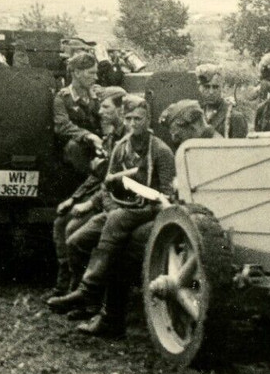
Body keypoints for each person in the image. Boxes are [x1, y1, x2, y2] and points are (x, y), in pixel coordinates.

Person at [48, 95, 176, 338]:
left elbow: (167, 195)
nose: (132, 123)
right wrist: (109, 206)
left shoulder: (160, 151)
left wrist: (135, 200)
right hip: (118, 209)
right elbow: (106, 186)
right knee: (76, 241)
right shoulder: (121, 147)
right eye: (128, 118)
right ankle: (90, 302)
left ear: (148, 119)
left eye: (138, 118)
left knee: (117, 224)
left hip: (149, 211)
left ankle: (89, 289)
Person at [48, 85, 127, 298]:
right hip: (103, 196)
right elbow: (98, 177)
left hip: (115, 203)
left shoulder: (125, 141)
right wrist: (74, 199)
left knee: (72, 229)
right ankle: (65, 287)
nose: (100, 112)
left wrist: (90, 203)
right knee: (61, 221)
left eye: (105, 107)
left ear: (120, 111)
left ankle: (81, 293)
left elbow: (113, 182)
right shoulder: (110, 138)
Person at [54, 51, 104, 175]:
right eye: (91, 73)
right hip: (77, 149)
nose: (96, 77)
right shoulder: (62, 98)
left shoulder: (97, 95)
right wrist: (89, 136)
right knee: (73, 146)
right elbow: (62, 126)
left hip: (99, 144)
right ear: (76, 73)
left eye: (96, 73)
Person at [195, 64, 247, 138]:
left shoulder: (235, 117)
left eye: (215, 87)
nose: (211, 92)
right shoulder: (196, 115)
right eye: (206, 87)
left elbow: (239, 148)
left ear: (222, 88)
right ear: (200, 88)